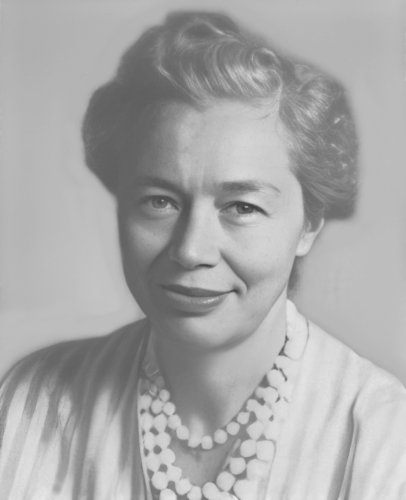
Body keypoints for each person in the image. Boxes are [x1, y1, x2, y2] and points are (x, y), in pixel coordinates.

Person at [1, 10, 405, 500]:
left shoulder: (383, 438)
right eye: (160, 201)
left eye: (242, 207)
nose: (191, 250)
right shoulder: (34, 403)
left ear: (309, 225)